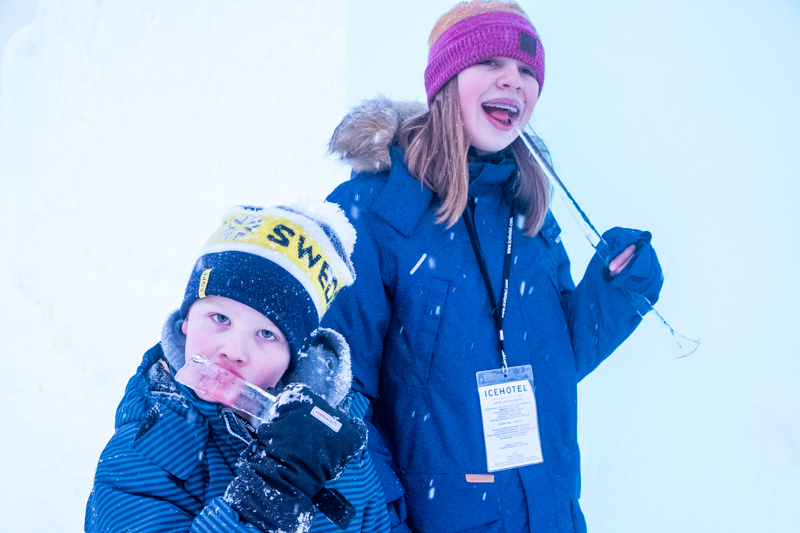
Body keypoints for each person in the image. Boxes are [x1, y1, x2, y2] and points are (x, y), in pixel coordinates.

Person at [322, 1, 663, 532]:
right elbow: (339, 391)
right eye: (491, 64)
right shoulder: (373, 211)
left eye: (528, 71)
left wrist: (616, 291)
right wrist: (384, 515)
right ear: (445, 79)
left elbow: (556, 359)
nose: (515, 82)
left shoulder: (526, 211)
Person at [85, 202, 391, 533]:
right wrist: (268, 499)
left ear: (294, 357)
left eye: (266, 334)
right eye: (220, 318)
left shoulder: (333, 429)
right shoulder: (147, 447)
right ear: (187, 320)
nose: (234, 351)